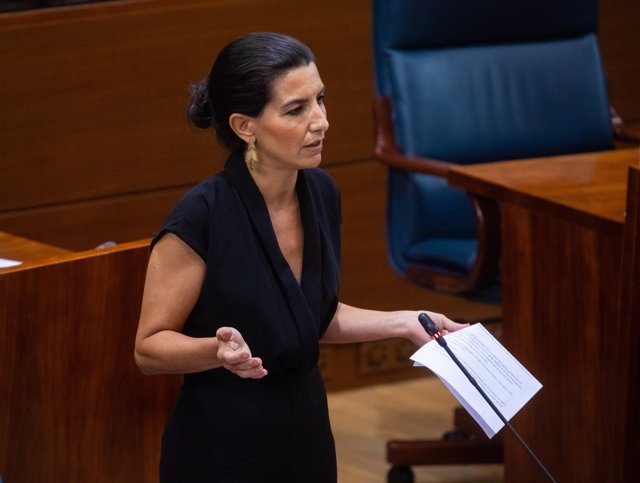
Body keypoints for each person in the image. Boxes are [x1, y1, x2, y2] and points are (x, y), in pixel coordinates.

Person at [134, 32, 467, 483]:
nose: (321, 121)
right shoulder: (202, 215)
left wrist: (407, 321)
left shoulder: (321, 192)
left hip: (307, 431)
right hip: (221, 443)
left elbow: (311, 317)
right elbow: (149, 348)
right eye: (296, 109)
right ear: (243, 126)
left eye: (321, 100)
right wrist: (217, 351)